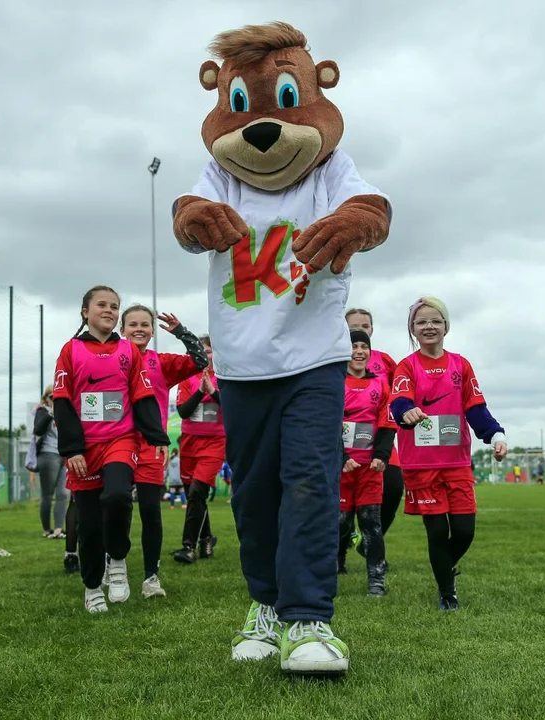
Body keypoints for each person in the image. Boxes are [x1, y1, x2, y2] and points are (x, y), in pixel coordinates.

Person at [172, 21, 393, 674]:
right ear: (222, 98)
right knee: (254, 494)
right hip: (241, 363)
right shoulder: (220, 172)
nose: (264, 129)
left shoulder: (328, 168)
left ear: (317, 86)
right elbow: (190, 215)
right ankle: (265, 606)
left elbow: (370, 206)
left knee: (309, 483)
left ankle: (310, 621)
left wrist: (360, 220)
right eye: (242, 106)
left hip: (314, 359)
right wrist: (191, 218)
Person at [53, 286, 171, 614]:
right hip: (84, 448)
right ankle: (92, 587)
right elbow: (62, 402)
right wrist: (72, 449)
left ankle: (117, 558)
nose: (109, 310)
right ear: (85, 312)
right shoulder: (70, 351)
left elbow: (142, 395)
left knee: (119, 495)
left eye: (114, 306)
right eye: (102, 305)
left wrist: (158, 437)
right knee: (89, 524)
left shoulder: (128, 352)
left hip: (121, 440)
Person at [390, 296, 508, 611]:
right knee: (438, 531)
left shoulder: (461, 364)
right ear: (413, 329)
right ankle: (447, 592)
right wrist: (407, 412)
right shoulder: (407, 366)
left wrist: (495, 434)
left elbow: (475, 407)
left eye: (435, 321)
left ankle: (444, 567)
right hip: (421, 465)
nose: (429, 326)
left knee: (465, 530)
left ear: (446, 326)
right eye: (421, 322)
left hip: (456, 462)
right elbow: (398, 402)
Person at [119, 303, 208, 598]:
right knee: (116, 505)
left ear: (152, 331)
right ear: (122, 330)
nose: (139, 329)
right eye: (133, 324)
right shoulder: (111, 359)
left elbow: (198, 361)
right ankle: (113, 564)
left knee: (150, 511)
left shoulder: (161, 362)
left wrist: (181, 332)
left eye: (145, 324)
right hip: (115, 443)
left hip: (150, 447)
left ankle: (150, 578)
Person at [344, 308, 404, 562]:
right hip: (344, 447)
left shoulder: (385, 361)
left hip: (379, 441)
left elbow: (403, 390)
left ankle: (370, 541)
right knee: (341, 505)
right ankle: (339, 551)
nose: (361, 329)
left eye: (365, 326)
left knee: (393, 487)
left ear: (372, 329)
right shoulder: (337, 358)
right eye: (353, 327)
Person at [337, 330, 394, 596]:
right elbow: (325, 425)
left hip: (370, 468)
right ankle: (335, 564)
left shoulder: (380, 385)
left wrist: (381, 457)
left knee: (370, 522)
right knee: (340, 522)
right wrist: (342, 458)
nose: (359, 351)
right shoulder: (334, 383)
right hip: (341, 468)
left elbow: (387, 423)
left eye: (363, 347)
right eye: (353, 346)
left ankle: (376, 578)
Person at [172, 335, 224, 565]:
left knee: (196, 492)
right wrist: (201, 392)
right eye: (202, 350)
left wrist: (213, 390)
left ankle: (188, 547)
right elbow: (183, 411)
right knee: (196, 497)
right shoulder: (187, 379)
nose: (206, 354)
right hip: (189, 443)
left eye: (210, 350)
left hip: (215, 443)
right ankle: (206, 540)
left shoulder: (225, 377)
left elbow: (232, 408)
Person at [32, 385, 67, 539]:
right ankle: (47, 530)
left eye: (57, 397)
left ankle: (59, 529)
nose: (55, 400)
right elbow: (37, 430)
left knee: (63, 493)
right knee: (48, 494)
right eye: (52, 397)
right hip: (48, 455)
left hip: (63, 455)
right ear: (45, 399)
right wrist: (50, 414)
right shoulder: (42, 411)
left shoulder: (64, 411)